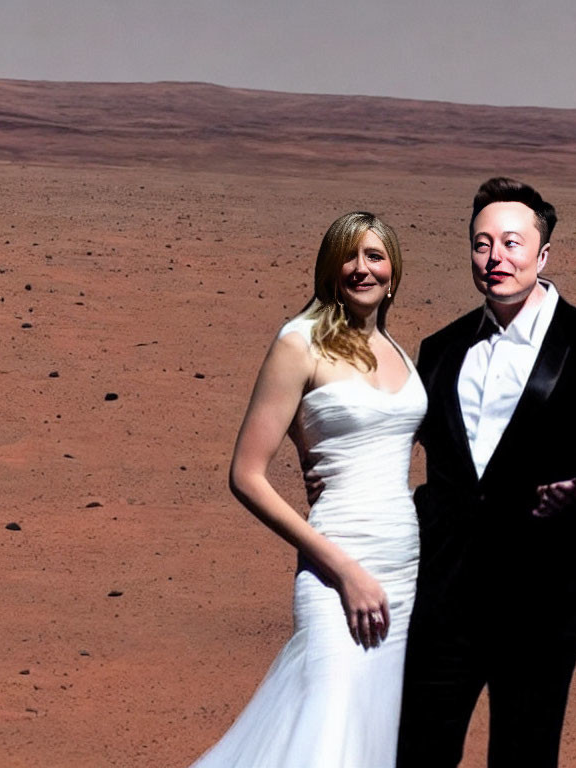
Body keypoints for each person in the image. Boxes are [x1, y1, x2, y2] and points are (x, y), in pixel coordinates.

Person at [395, 177, 576, 768]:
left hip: (543, 598)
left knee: (523, 755)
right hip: (446, 596)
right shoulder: (441, 348)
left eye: (511, 242)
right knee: (417, 752)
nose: (494, 258)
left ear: (543, 253)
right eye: (482, 244)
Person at [189, 212, 426, 768]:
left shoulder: (398, 351)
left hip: (406, 574)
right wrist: (344, 571)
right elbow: (245, 475)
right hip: (335, 571)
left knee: (375, 735)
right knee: (326, 725)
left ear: (393, 273)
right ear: (329, 268)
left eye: (375, 256)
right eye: (350, 256)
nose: (362, 268)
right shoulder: (300, 344)